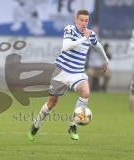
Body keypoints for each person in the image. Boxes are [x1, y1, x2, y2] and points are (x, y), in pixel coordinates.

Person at [28, 10, 109, 141]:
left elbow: (97, 45)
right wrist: (84, 38)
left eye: (86, 21)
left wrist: (105, 60)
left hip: (77, 73)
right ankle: (36, 124)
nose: (84, 23)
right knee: (51, 103)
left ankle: (73, 126)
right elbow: (66, 46)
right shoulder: (70, 29)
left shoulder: (90, 34)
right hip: (61, 71)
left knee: (85, 93)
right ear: (76, 20)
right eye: (81, 20)